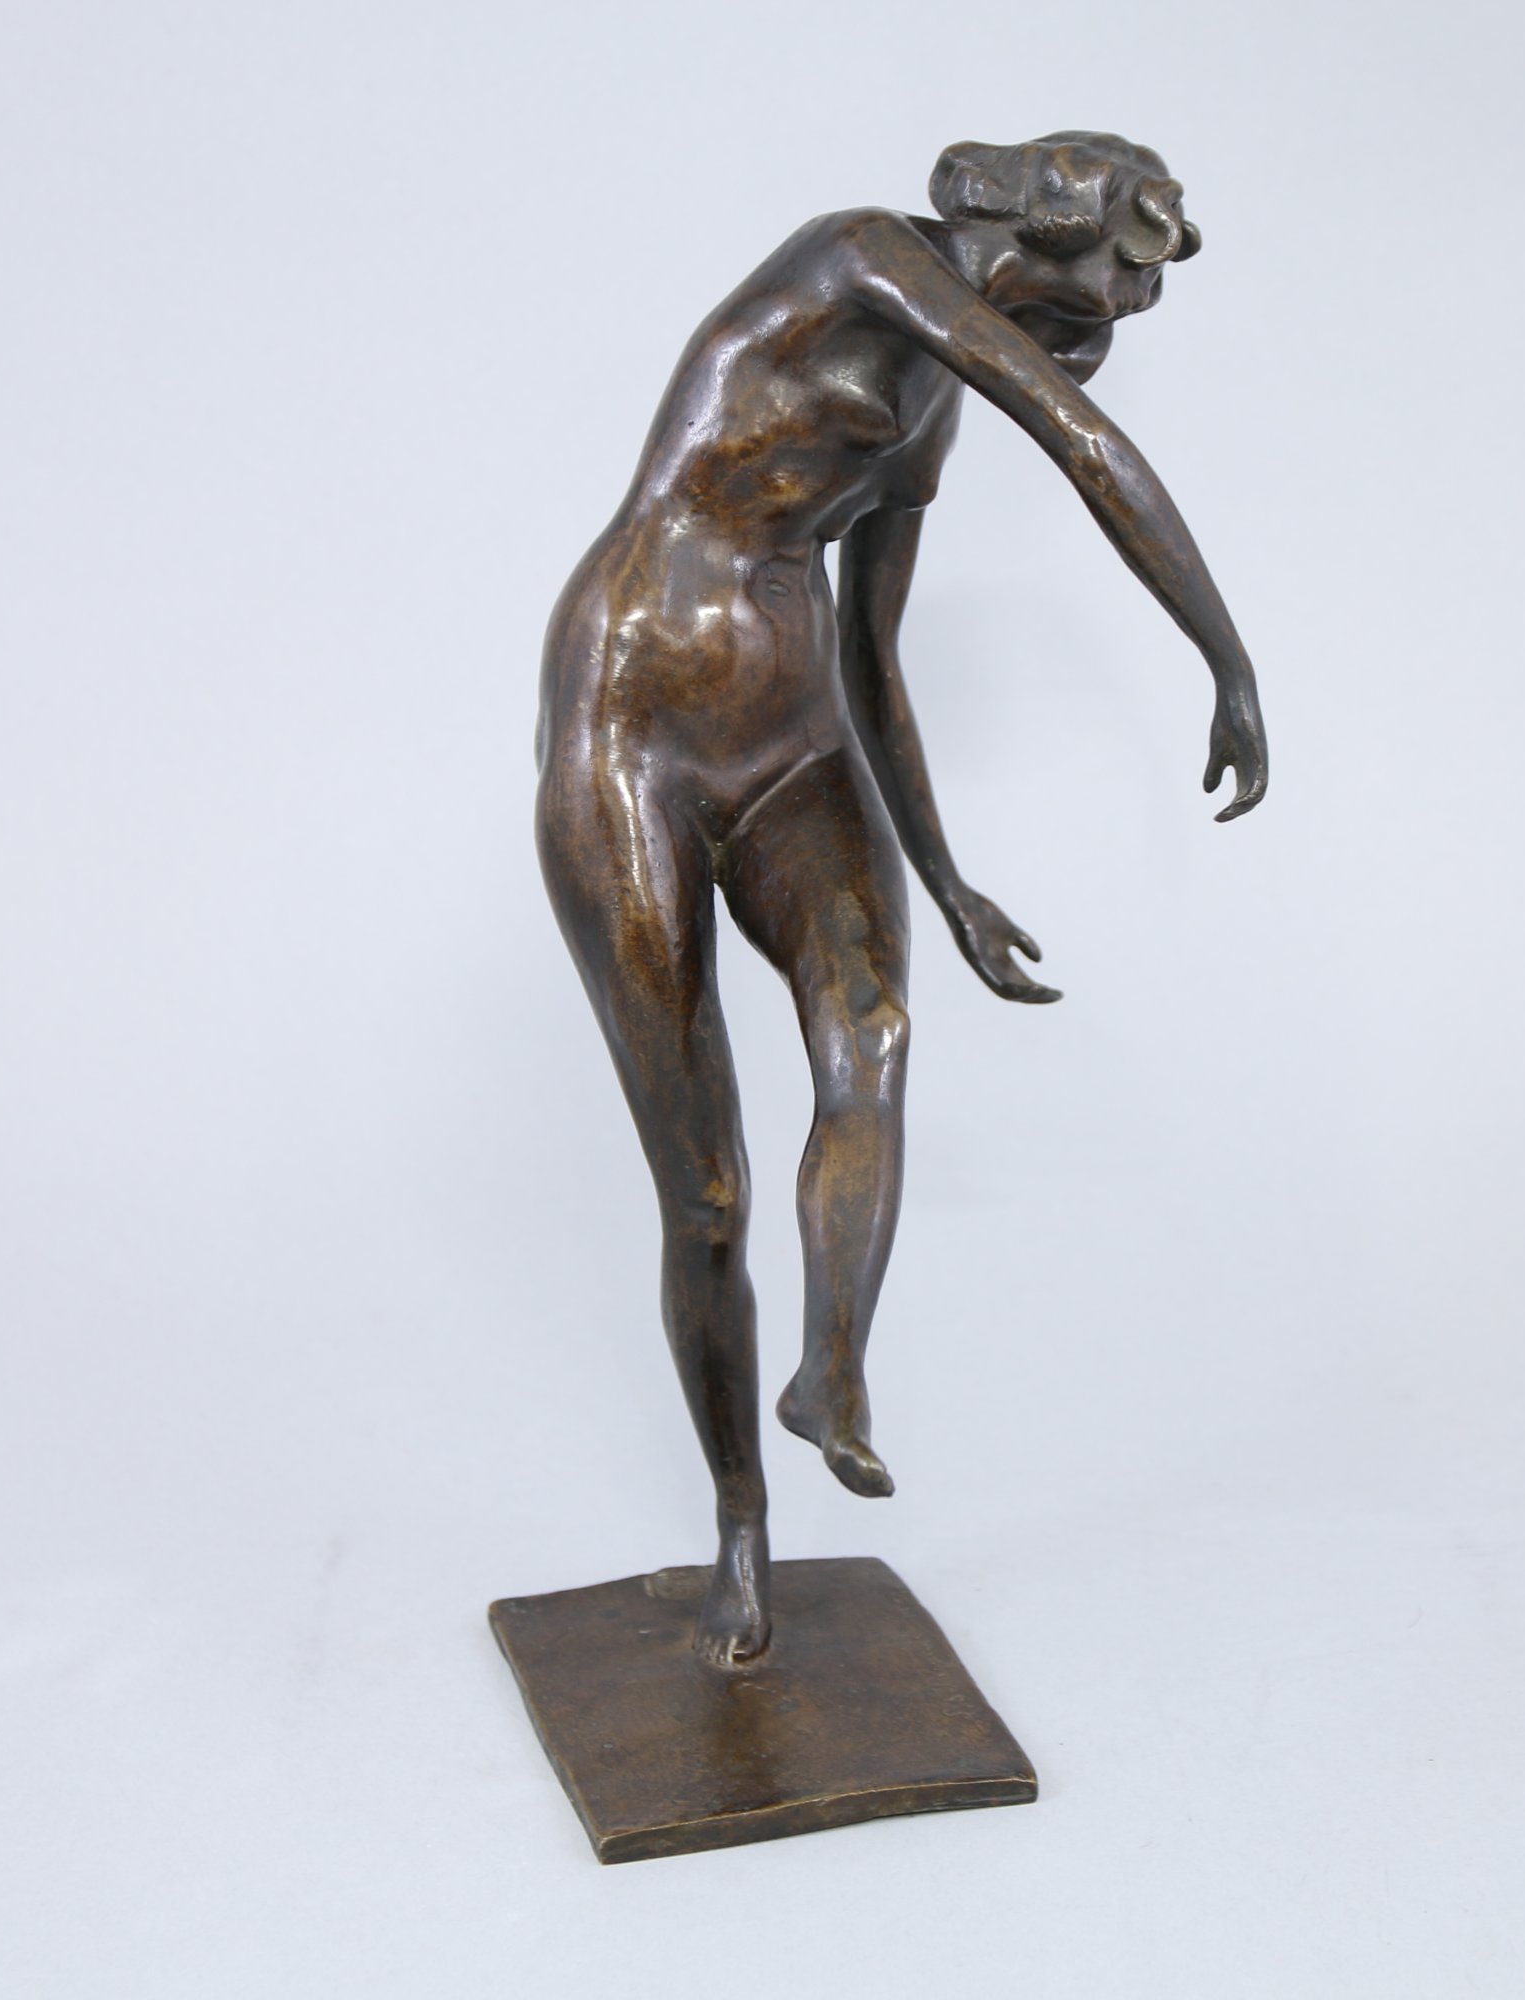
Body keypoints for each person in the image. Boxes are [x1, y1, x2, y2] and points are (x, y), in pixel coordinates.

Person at [534, 132, 1268, 1666]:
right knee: (706, 1192)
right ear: (1038, 237)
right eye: (1110, 285)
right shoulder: (863, 252)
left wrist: (945, 881)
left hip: (793, 732)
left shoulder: (929, 407)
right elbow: (1079, 439)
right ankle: (742, 1527)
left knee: (871, 1036)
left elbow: (872, 656)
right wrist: (1228, 658)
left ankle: (832, 1372)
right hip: (636, 718)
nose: (1111, 327)